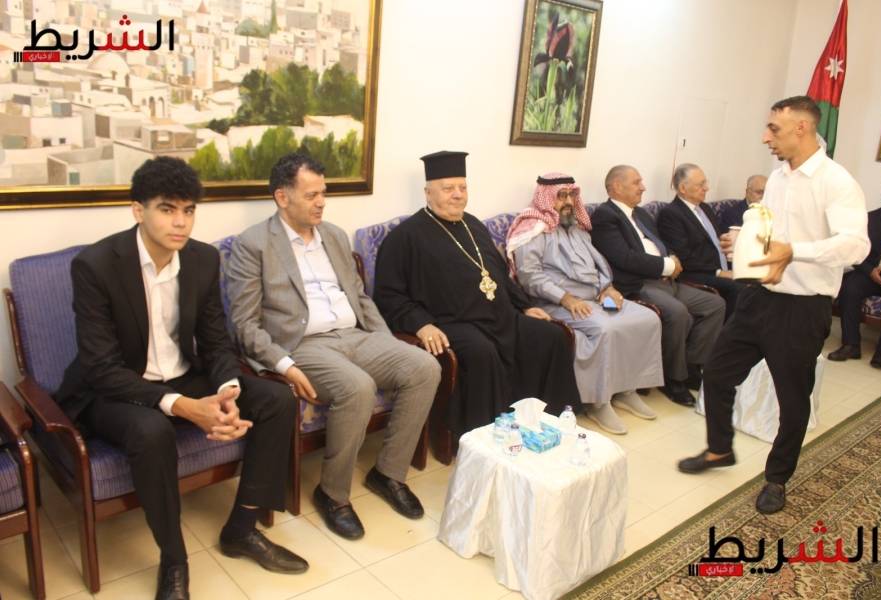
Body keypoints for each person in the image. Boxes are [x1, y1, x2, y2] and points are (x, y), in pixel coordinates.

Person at [54, 157, 306, 600]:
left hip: (182, 374)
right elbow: (101, 367)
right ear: (138, 210)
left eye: (188, 211)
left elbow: (215, 342)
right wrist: (185, 407)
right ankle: (174, 559)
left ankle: (242, 528)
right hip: (114, 388)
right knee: (152, 430)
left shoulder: (203, 259)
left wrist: (227, 391)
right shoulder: (96, 265)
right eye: (167, 209)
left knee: (277, 399)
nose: (180, 222)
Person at [225, 152, 441, 541]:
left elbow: (360, 298)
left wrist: (385, 341)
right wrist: (284, 364)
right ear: (282, 197)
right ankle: (333, 495)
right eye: (311, 195)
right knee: (357, 387)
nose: (321, 202)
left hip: (354, 334)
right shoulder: (253, 244)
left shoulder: (335, 236)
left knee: (425, 367)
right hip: (302, 344)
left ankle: (388, 473)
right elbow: (244, 323)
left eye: (323, 193)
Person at [678, 96, 869, 515]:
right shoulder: (779, 177)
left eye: (774, 129)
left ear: (802, 128)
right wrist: (743, 239)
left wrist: (795, 250)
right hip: (758, 297)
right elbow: (769, 227)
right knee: (718, 372)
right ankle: (719, 448)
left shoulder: (836, 182)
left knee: (792, 401)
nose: (766, 137)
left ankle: (777, 479)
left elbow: (856, 245)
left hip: (803, 307)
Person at [373, 151, 580, 435]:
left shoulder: (473, 225)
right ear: (428, 193)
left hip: (499, 317)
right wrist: (421, 324)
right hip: (451, 323)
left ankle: (547, 423)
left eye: (462, 187)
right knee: (482, 352)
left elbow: (497, 274)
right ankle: (485, 437)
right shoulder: (404, 237)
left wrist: (522, 306)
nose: (457, 194)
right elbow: (388, 295)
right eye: (448, 188)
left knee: (551, 336)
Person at [508, 173, 664, 435]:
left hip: (594, 297)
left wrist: (607, 287)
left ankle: (626, 390)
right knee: (605, 328)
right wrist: (565, 298)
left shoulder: (576, 228)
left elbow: (597, 263)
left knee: (647, 319)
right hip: (556, 302)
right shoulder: (534, 229)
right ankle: (598, 403)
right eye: (561, 196)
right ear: (546, 198)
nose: (568, 201)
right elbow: (529, 276)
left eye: (571, 195)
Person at [590, 165, 725, 407]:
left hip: (666, 280)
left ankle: (691, 366)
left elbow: (661, 242)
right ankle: (674, 380)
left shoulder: (641, 214)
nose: (643, 187)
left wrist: (672, 258)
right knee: (678, 313)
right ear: (617, 187)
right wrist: (666, 266)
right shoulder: (605, 216)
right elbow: (624, 258)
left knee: (715, 304)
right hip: (637, 284)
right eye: (636, 182)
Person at [829, 172, 881, 368]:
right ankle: (851, 345)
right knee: (850, 288)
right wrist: (870, 271)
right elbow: (855, 251)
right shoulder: (870, 219)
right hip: (872, 272)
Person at [657, 163, 747, 317]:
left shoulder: (704, 208)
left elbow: (713, 241)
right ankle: (727, 332)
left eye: (705, 183)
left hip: (722, 266)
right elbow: (683, 257)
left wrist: (724, 240)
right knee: (738, 287)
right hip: (696, 273)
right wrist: (719, 272)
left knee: (756, 281)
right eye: (701, 184)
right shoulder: (671, 214)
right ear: (683, 188)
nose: (706, 188)